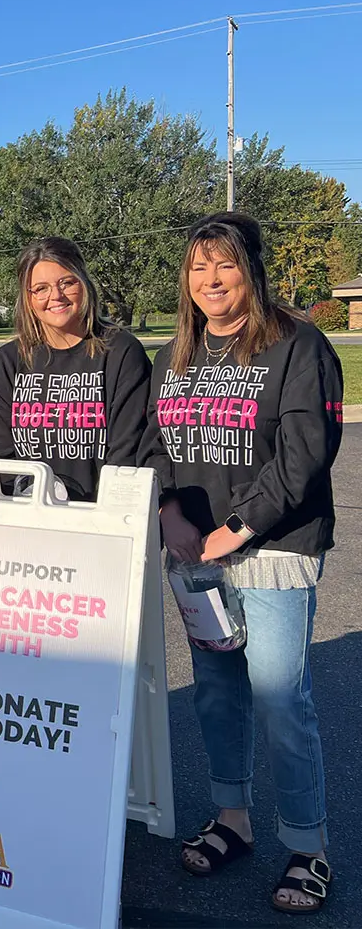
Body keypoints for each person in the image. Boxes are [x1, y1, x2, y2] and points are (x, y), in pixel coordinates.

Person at [139, 212, 342, 914]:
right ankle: (234, 820)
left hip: (275, 549)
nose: (211, 280)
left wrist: (236, 528)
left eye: (224, 265)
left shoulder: (297, 346)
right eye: (198, 268)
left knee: (282, 698)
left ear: (249, 270)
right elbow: (155, 445)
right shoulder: (175, 357)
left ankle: (307, 845)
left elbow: (305, 453)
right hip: (194, 554)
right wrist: (169, 510)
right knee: (218, 692)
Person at [0, 237, 151, 501]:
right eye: (41, 288)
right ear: (28, 298)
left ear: (84, 284)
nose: (55, 296)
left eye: (66, 283)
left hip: (103, 520)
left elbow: (129, 451)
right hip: (28, 519)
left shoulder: (122, 353)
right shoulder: (8, 362)